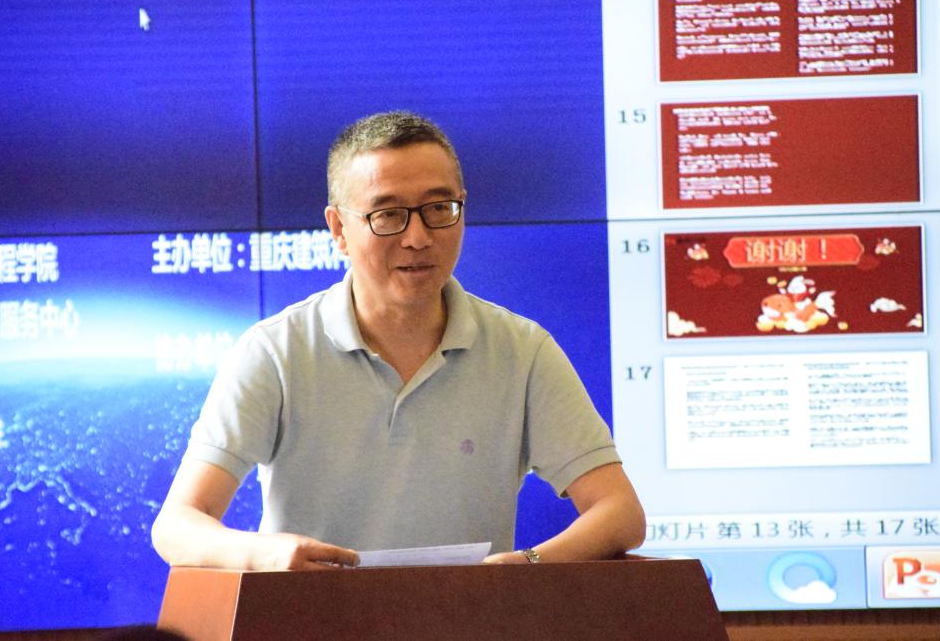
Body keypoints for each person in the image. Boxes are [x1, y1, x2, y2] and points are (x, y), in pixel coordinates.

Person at [151, 111, 645, 571]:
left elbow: (620, 512)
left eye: (439, 208)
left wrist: (528, 567)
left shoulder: (522, 350)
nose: (418, 237)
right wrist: (265, 555)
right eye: (388, 215)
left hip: (470, 622)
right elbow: (176, 526)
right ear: (338, 229)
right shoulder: (276, 351)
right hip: (311, 622)